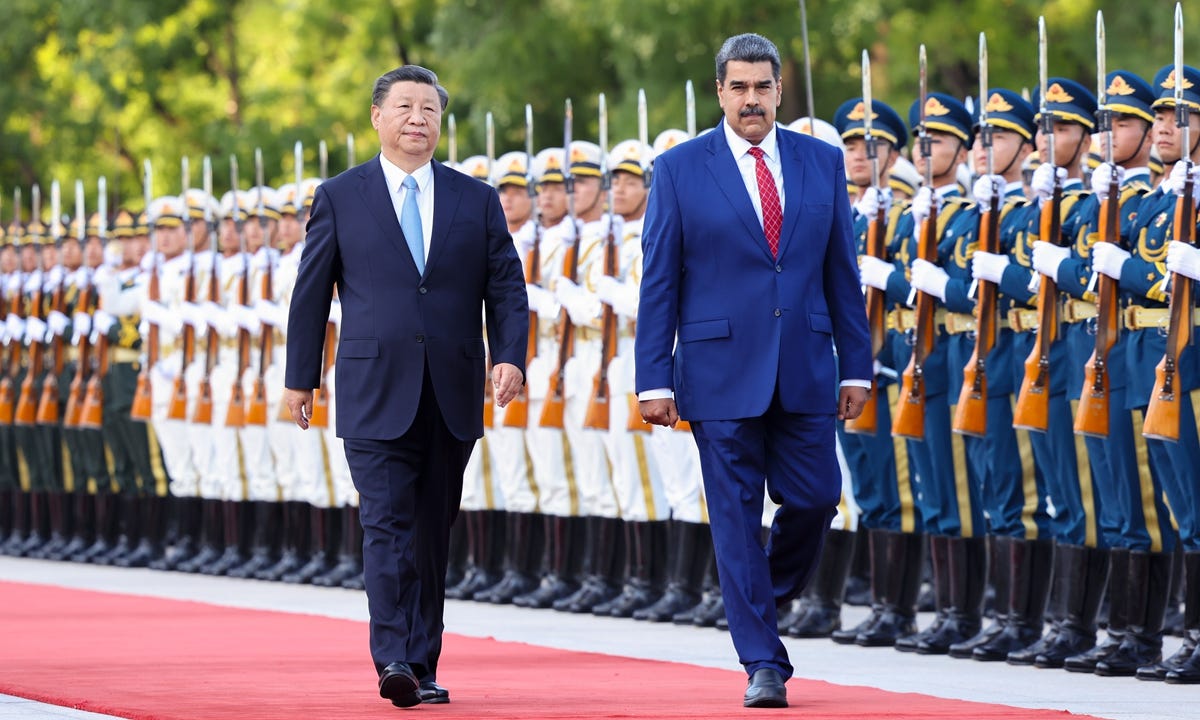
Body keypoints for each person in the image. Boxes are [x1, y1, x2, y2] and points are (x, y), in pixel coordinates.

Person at [635, 33, 872, 709]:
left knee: (818, 496)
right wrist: (654, 378)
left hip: (804, 364)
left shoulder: (819, 163)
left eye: (762, 87)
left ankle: (758, 596)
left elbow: (841, 274)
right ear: (720, 92)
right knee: (735, 521)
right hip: (715, 373)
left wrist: (856, 367)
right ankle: (762, 661)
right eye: (738, 87)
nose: (751, 100)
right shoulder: (679, 168)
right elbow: (659, 281)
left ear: (778, 92)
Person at [283, 64, 527, 708]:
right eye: (405, 108)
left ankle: (422, 661)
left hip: (451, 388)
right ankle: (392, 655)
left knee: (430, 530)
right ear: (377, 117)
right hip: (372, 387)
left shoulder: (475, 199)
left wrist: (510, 356)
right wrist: (299, 378)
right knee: (385, 524)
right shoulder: (340, 195)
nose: (418, 119)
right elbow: (310, 294)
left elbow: (506, 285)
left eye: (429, 109)